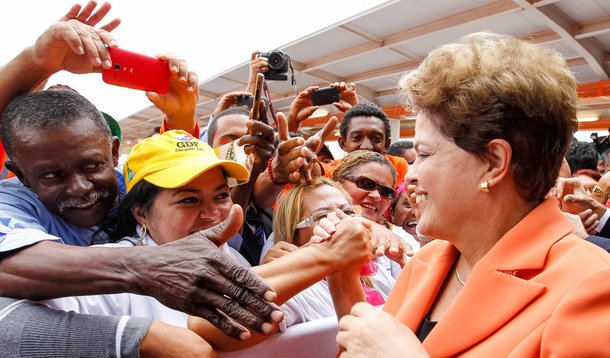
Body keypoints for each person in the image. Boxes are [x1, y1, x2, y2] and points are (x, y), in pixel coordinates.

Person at [0, 2, 279, 341]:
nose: (80, 187)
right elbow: (10, 267)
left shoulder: (132, 184)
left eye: (93, 165)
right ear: (21, 175)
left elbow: (184, 180)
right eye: (51, 176)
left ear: (114, 153)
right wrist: (36, 61)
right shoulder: (13, 204)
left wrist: (181, 119)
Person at [332, 32, 610, 356]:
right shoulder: (426, 261)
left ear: (494, 163)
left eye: (425, 154)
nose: (411, 176)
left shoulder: (592, 285)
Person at [46, 130, 376, 352]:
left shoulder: (231, 259)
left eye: (220, 196)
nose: (211, 214)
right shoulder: (105, 273)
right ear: (141, 214)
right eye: (189, 200)